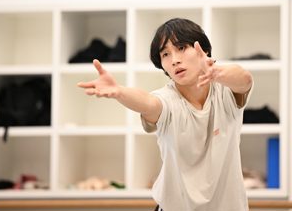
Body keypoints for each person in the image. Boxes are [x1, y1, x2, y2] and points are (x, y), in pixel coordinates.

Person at [77, 18, 254, 211]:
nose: (175, 59)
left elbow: (244, 80)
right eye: (166, 54)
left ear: (203, 49)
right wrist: (119, 91)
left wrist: (217, 72)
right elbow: (148, 103)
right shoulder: (167, 99)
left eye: (181, 48)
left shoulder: (225, 92)